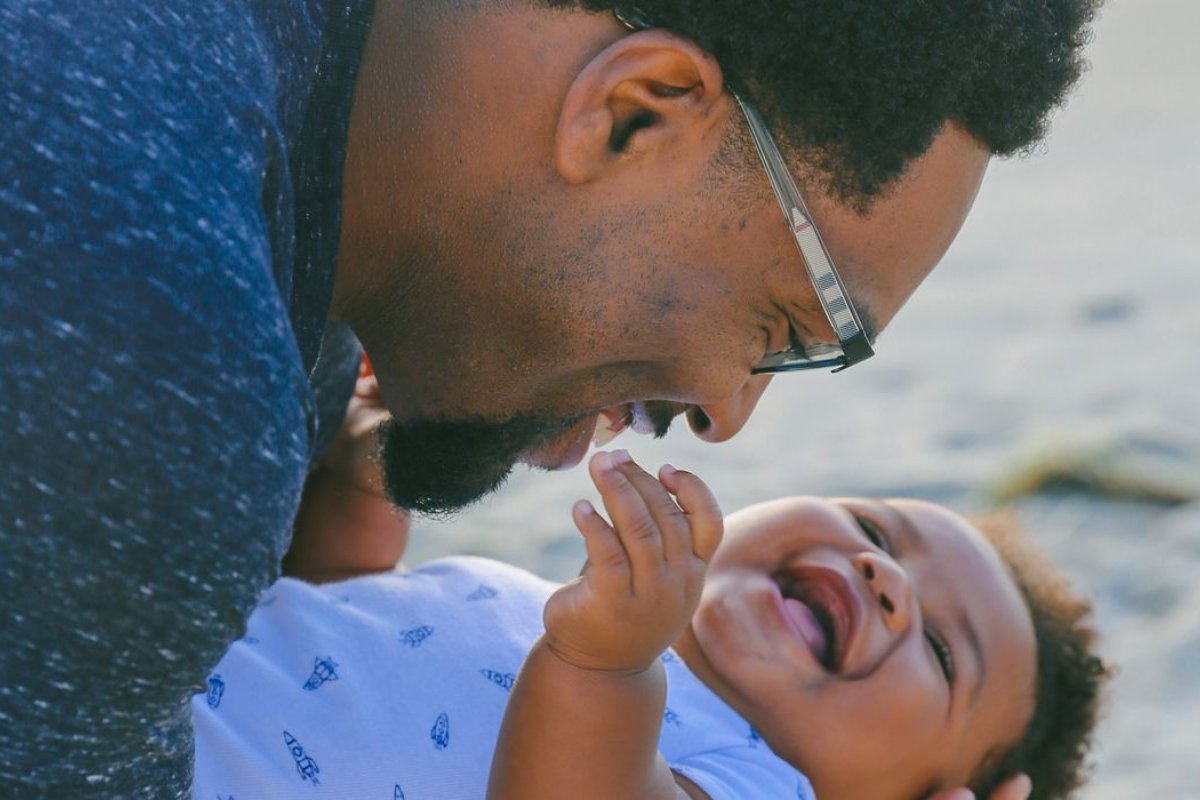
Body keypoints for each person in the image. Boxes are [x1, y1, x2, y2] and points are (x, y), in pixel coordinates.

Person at [1, 0, 1101, 794]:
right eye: (781, 326)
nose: (728, 412)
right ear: (634, 114)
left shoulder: (282, 284)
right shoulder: (159, 356)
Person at [193, 451, 1108, 800]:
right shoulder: (553, 610)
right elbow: (338, 642)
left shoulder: (756, 781)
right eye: (872, 528)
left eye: (946, 654)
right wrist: (369, 487)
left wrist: (604, 666)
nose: (881, 574)